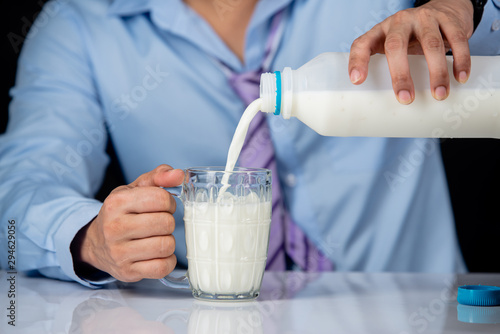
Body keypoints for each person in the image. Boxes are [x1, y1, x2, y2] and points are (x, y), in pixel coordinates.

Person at [0, 0, 498, 287]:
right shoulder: (81, 22)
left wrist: (467, 6)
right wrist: (90, 237)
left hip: (421, 314)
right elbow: (16, 195)